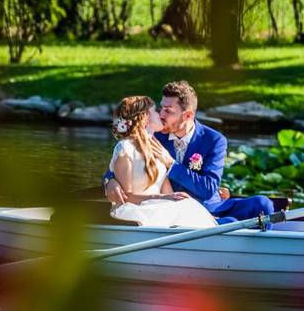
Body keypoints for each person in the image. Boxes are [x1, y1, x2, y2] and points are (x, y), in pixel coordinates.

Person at [104, 81, 274, 224]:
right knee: (230, 223)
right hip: (169, 207)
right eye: (161, 108)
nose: (161, 115)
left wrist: (171, 165)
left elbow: (207, 188)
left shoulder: (214, 140)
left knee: (262, 204)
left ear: (187, 115)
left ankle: (258, 242)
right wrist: (109, 180)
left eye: (168, 110)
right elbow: (126, 162)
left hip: (209, 205)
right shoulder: (153, 136)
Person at [106, 95, 218, 228]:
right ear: (145, 117)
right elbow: (126, 197)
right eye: (155, 111)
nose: (160, 115)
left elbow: (169, 194)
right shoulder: (126, 148)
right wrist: (161, 198)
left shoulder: (158, 149)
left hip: (157, 206)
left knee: (187, 205)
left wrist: (183, 203)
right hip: (136, 209)